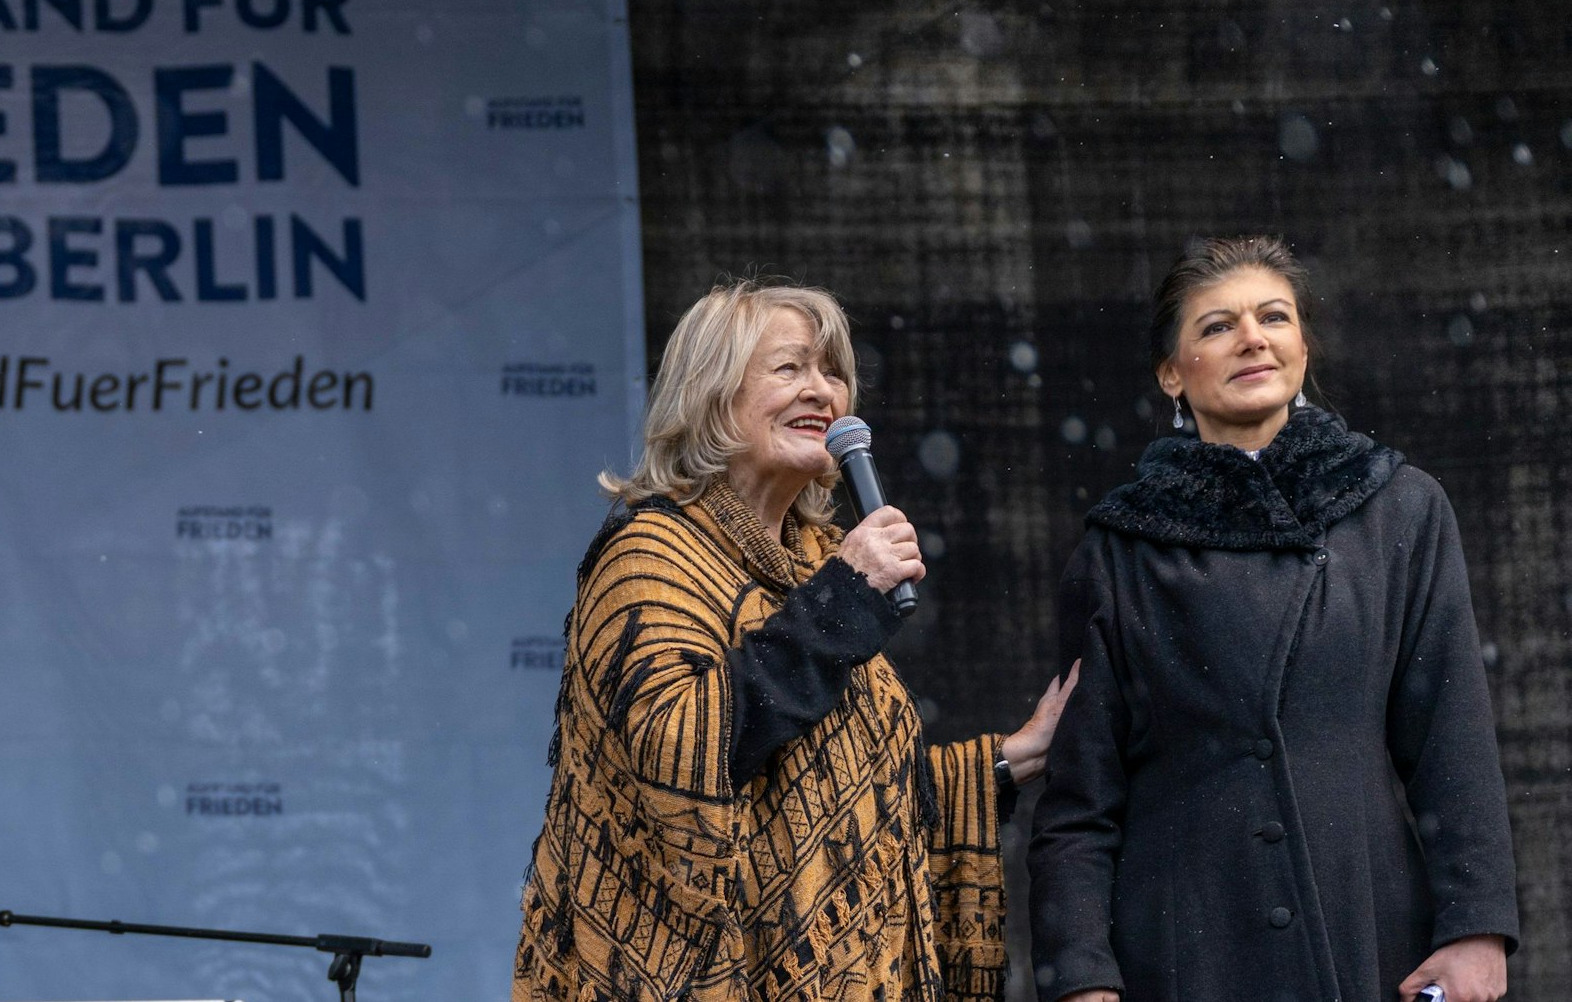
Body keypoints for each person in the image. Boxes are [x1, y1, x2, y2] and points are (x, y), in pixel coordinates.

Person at [512, 280, 1077, 1002]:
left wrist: (1003, 762)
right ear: (711, 394)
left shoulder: (817, 561)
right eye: (789, 369)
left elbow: (832, 799)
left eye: (832, 372)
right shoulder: (651, 555)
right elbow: (686, 756)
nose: (824, 391)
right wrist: (840, 603)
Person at [1028, 237, 1520, 1002]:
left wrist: (1476, 927)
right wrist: (1083, 976)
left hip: (1366, 928)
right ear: (1171, 373)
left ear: (1301, 344)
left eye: (1274, 316)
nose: (1252, 337)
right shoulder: (1119, 549)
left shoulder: (1399, 507)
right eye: (1217, 325)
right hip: (1188, 948)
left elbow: (1452, 741)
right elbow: (1081, 801)